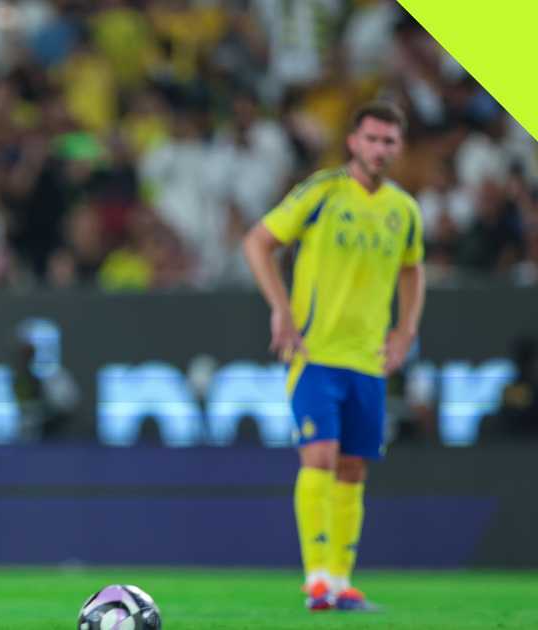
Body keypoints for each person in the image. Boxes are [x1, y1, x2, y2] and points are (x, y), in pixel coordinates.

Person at [243, 101, 425, 612]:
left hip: (367, 359)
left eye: (389, 141)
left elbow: (413, 269)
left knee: (352, 467)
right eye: (372, 138)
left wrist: (406, 329)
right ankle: (316, 578)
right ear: (353, 141)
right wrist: (281, 308)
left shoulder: (404, 210)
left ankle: (342, 583)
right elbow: (258, 242)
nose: (380, 149)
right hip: (314, 351)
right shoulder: (322, 192)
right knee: (319, 455)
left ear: (399, 147)